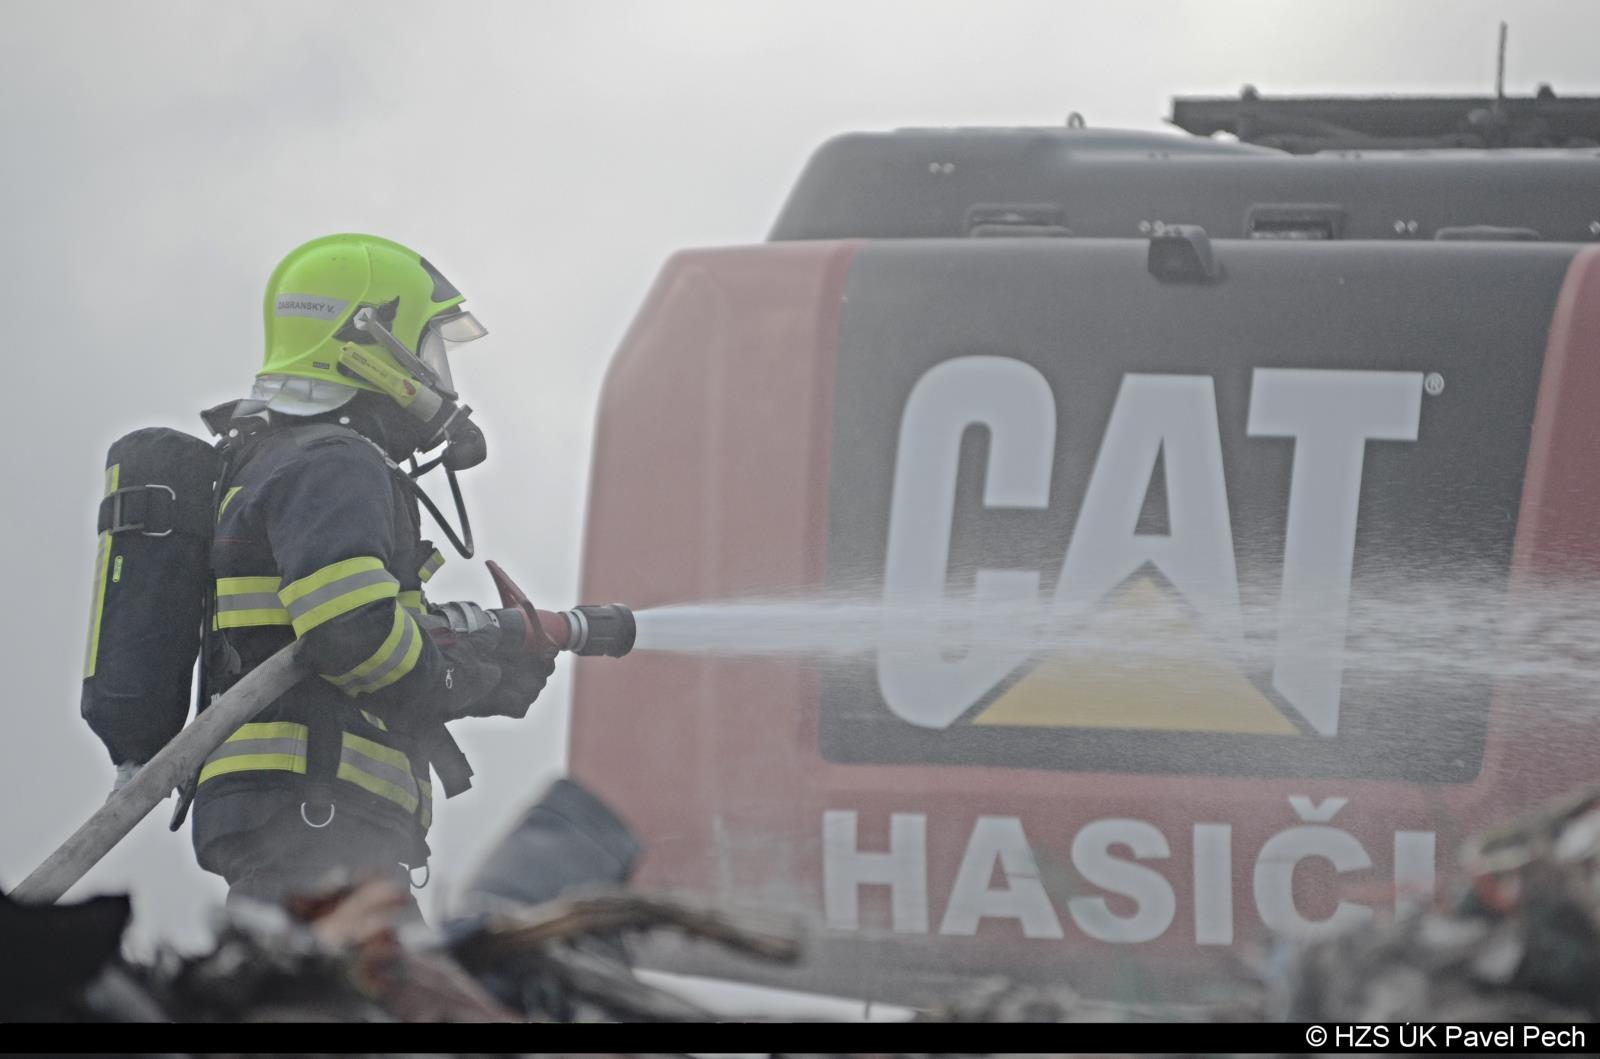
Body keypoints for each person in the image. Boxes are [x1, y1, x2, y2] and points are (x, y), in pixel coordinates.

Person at [188, 233, 555, 908]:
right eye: (426, 348)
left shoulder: (285, 458)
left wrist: (485, 670)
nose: (438, 378)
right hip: (313, 823)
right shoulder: (334, 461)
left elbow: (354, 643)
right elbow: (352, 635)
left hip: (313, 824)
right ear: (370, 339)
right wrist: (460, 675)